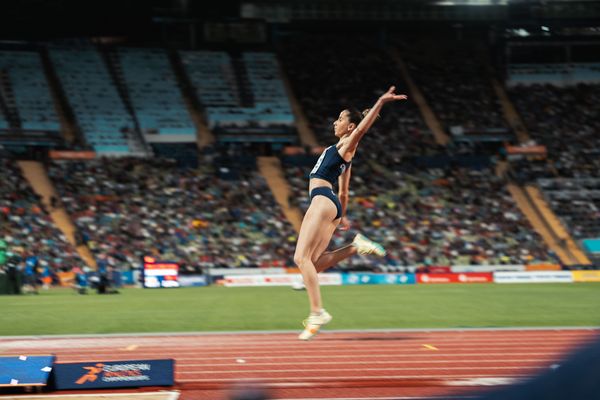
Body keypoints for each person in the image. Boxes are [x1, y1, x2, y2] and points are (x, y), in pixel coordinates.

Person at [294, 86, 408, 340]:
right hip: (331, 204)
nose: (336, 121)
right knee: (312, 262)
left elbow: (362, 130)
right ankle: (355, 246)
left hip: (322, 199)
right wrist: (340, 217)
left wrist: (379, 101)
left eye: (341, 118)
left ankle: (317, 312)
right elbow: (344, 193)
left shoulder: (346, 145)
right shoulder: (340, 154)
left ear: (349, 126)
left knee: (301, 259)